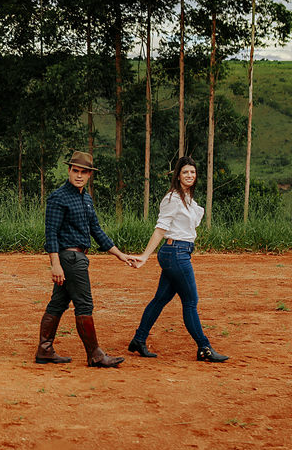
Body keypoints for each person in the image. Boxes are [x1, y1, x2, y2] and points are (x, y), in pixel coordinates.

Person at [37, 150, 135, 368]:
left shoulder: (86, 198)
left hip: (78, 257)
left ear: (90, 174)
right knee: (84, 305)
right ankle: (95, 355)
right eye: (75, 171)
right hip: (69, 258)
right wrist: (55, 264)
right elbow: (51, 232)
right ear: (69, 171)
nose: (79, 175)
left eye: (84, 172)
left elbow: (96, 230)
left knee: (59, 303)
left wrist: (120, 255)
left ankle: (44, 350)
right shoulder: (58, 197)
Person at [128, 156, 230, 363]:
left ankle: (138, 339)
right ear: (178, 175)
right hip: (176, 253)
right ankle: (204, 348)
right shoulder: (172, 199)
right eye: (185, 172)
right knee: (190, 302)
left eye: (192, 172)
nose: (189, 175)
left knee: (161, 299)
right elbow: (160, 229)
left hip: (179, 252)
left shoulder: (188, 199)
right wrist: (145, 256)